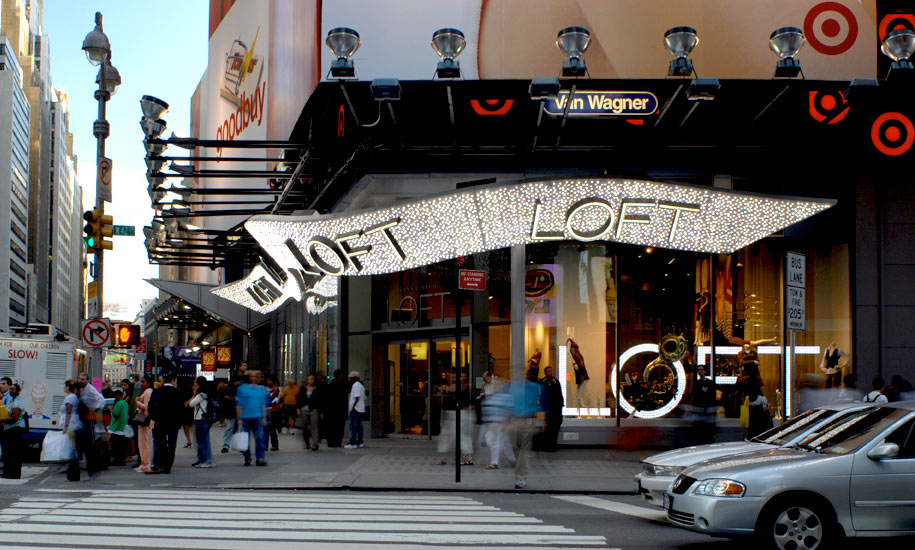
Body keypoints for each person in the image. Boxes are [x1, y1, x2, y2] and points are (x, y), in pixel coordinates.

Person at [509, 367, 548, 489]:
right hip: (514, 421)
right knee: (517, 450)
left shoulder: (534, 388)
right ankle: (520, 473)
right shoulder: (511, 388)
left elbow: (540, 405)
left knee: (523, 450)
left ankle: (520, 478)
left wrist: (540, 421)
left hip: (526, 420)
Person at [147, 372, 183, 474]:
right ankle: (167, 466)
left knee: (159, 443)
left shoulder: (157, 392)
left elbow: (150, 407)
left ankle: (158, 464)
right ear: (173, 380)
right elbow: (181, 409)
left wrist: (153, 418)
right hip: (173, 423)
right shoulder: (178, 393)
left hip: (159, 422)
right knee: (172, 444)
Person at [437, 372, 473, 465]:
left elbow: (470, 403)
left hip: (459, 414)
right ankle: (443, 456)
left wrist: (467, 409)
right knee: (446, 436)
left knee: (461, 436)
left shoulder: (464, 387)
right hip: (449, 414)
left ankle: (468, 457)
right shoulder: (449, 388)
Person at [236, 370, 270, 466]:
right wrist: (239, 418)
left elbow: (263, 404)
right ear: (249, 377)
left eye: (257, 377)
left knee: (259, 437)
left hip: (257, 416)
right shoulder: (242, 389)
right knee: (245, 438)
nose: (255, 379)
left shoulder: (261, 389)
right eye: (253, 377)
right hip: (245, 416)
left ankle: (260, 458)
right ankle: (247, 457)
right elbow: (239, 405)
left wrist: (264, 417)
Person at [78, 372, 109, 473]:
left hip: (90, 417)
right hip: (84, 416)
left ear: (87, 380)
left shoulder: (90, 389)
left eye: (83, 379)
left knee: (90, 440)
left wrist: (95, 409)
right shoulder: (81, 389)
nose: (80, 381)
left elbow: (102, 400)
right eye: (79, 379)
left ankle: (94, 463)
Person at [481, 377, 515, 469]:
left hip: (500, 424)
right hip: (493, 424)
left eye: (498, 383)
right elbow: (486, 410)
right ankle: (513, 461)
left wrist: (507, 423)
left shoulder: (506, 397)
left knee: (495, 443)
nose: (495, 385)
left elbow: (511, 411)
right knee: (503, 443)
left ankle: (494, 463)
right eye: (494, 383)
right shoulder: (490, 397)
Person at [0, 383, 26, 478]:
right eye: (10, 389)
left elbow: (14, 418)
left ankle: (14, 473)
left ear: (18, 392)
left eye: (13, 389)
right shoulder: (11, 401)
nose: (11, 391)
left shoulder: (17, 403)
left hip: (15, 429)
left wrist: (3, 420)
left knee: (14, 453)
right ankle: (8, 472)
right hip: (8, 429)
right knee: (8, 452)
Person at [188, 376, 214, 468]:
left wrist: (194, 394)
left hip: (200, 419)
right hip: (205, 419)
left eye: (196, 383)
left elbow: (191, 404)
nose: (195, 385)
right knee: (203, 441)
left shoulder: (201, 395)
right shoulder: (207, 393)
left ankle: (206, 461)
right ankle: (203, 460)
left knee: (202, 441)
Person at [60, 380, 83, 481]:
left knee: (71, 451)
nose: (64, 388)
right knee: (73, 451)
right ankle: (73, 475)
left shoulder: (70, 397)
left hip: (71, 425)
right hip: (74, 424)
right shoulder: (74, 397)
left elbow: (68, 412)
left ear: (69, 387)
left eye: (65, 386)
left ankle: (72, 475)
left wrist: (66, 426)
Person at [690, 365, 717, 445]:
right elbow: (694, 395)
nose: (700, 371)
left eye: (701, 370)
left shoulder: (710, 383)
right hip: (699, 408)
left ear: (705, 371)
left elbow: (712, 396)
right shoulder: (697, 383)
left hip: (707, 409)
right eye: (698, 370)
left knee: (707, 428)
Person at [539, 366, 564, 452]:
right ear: (545, 372)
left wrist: (560, 405)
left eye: (551, 371)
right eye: (548, 371)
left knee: (555, 428)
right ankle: (547, 446)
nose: (550, 372)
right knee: (549, 427)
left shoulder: (556, 382)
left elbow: (560, 395)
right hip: (547, 409)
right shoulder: (542, 382)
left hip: (556, 408)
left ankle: (553, 446)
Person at [134, 376, 154, 473]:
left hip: (144, 420)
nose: (142, 384)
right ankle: (145, 463)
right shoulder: (149, 392)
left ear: (148, 383)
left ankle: (145, 464)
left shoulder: (147, 393)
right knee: (145, 442)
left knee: (144, 443)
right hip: (146, 420)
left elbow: (146, 407)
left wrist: (137, 402)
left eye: (144, 381)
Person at [297, 374, 321, 451]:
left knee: (314, 427)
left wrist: (321, 412)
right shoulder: (303, 388)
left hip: (313, 409)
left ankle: (315, 444)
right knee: (305, 427)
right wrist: (298, 408)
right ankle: (307, 443)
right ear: (307, 380)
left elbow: (320, 400)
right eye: (309, 379)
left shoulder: (317, 389)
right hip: (304, 409)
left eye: (312, 379)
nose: (310, 381)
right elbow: (299, 398)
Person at [325, 370, 348, 447]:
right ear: (340, 376)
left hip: (331, 410)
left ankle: (331, 442)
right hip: (339, 410)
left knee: (331, 427)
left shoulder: (331, 385)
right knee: (339, 427)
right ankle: (337, 441)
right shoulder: (342, 385)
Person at [108, 390, 129, 466]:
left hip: (117, 427)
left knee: (116, 446)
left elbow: (116, 414)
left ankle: (117, 461)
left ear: (117, 396)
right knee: (122, 446)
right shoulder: (125, 403)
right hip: (123, 426)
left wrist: (111, 410)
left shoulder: (118, 403)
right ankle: (122, 460)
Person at [345, 371, 365, 449]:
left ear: (355, 378)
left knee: (353, 426)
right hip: (361, 409)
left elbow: (357, 397)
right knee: (360, 427)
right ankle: (360, 442)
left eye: (351, 378)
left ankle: (352, 442)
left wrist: (353, 407)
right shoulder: (361, 386)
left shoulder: (355, 386)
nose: (350, 379)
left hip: (356, 409)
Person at [266, 376, 281, 451]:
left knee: (271, 428)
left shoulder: (276, 389)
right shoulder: (267, 388)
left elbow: (271, 398)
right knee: (266, 428)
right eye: (267, 380)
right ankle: (266, 445)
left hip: (273, 410)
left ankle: (274, 445)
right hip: (267, 409)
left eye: (269, 380)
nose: (268, 382)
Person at [179, 378, 195, 448]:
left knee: (185, 427)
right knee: (191, 425)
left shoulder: (180, 390)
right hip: (191, 409)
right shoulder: (192, 391)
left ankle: (189, 441)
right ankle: (195, 440)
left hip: (184, 410)